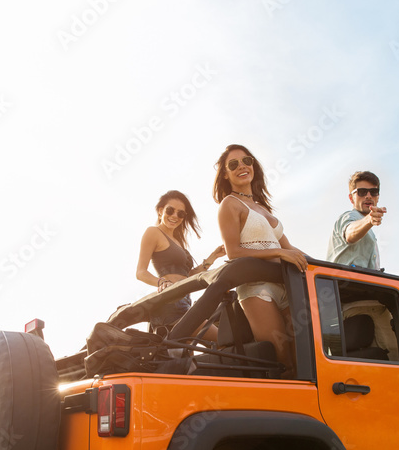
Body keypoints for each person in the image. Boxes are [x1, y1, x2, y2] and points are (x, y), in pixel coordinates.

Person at [214, 144, 307, 372]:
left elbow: (290, 248)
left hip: (287, 285)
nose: (242, 167)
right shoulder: (229, 204)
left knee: (303, 357)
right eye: (233, 164)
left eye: (247, 161)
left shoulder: (262, 207)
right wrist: (278, 253)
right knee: (281, 359)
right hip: (257, 289)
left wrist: (330, 267)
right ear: (225, 174)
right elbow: (233, 252)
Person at [136, 190, 224, 335]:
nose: (175, 216)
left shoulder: (178, 241)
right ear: (160, 211)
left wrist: (212, 257)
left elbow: (187, 276)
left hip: (185, 302)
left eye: (180, 213)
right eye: (170, 211)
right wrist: (161, 282)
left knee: (185, 355)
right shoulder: (153, 232)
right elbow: (140, 272)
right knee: (220, 339)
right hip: (169, 303)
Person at [327, 171, 386, 270]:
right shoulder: (348, 217)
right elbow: (350, 233)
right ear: (351, 198)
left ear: (378, 197)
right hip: (342, 284)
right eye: (362, 192)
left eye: (373, 192)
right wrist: (369, 220)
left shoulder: (369, 230)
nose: (368, 196)